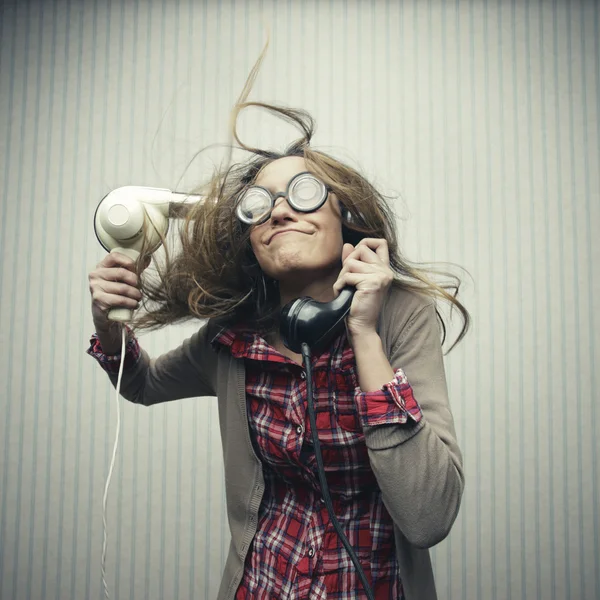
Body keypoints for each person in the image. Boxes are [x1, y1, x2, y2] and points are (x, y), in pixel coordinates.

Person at [87, 92, 470, 599]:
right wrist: (109, 323)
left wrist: (365, 335)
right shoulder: (231, 337)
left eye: (304, 191)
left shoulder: (403, 317)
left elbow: (429, 516)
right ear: (249, 236)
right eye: (260, 203)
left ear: (345, 216)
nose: (281, 211)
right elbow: (140, 382)